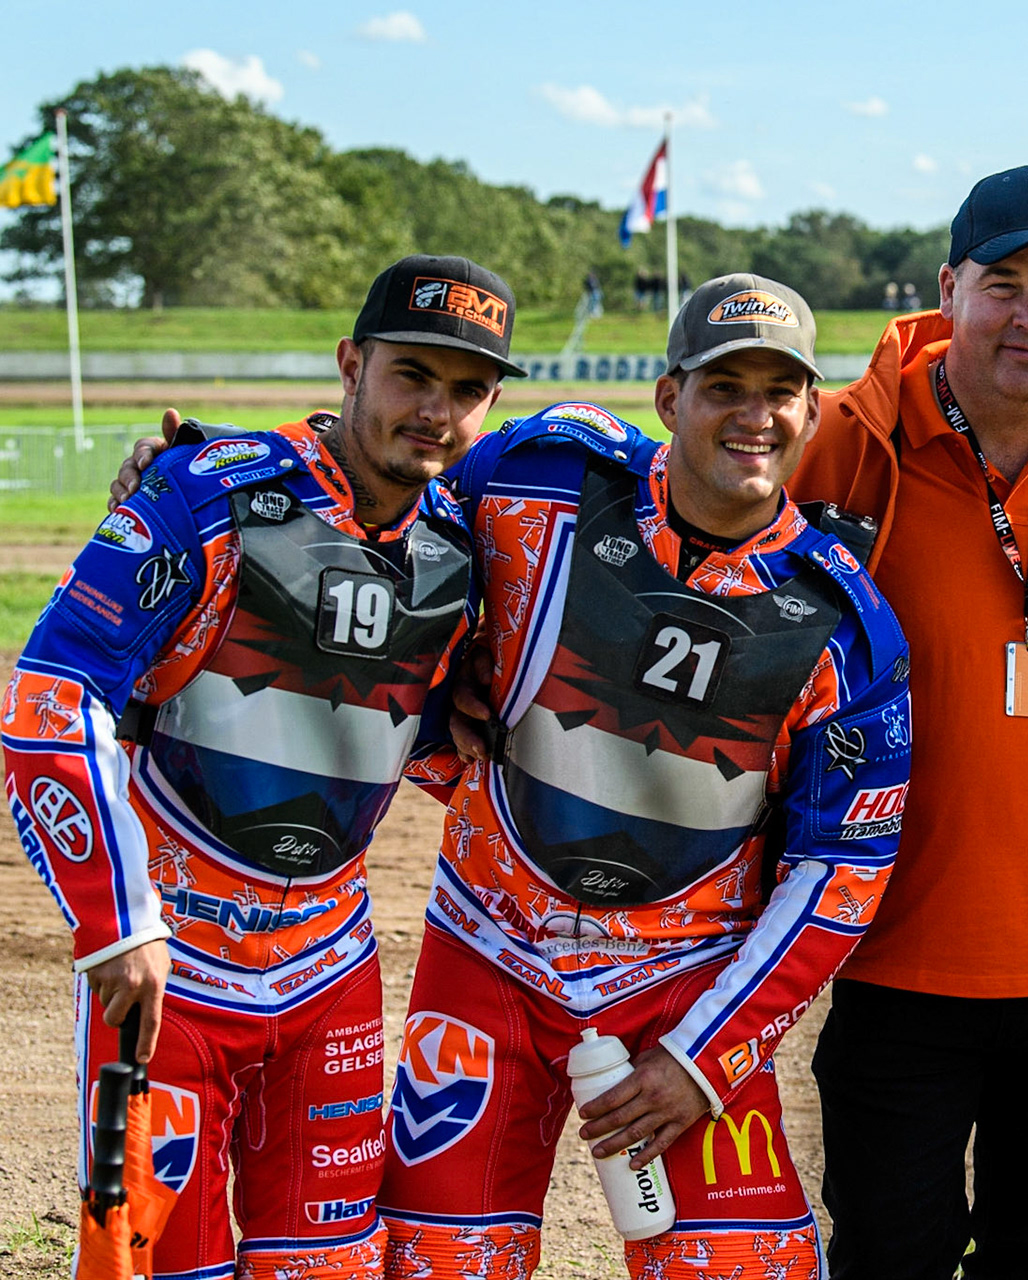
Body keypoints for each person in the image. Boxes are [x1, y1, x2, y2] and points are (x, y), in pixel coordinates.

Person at [375, 273, 910, 1279]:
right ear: (670, 398)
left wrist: (701, 1060)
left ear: (813, 408)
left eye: (779, 391)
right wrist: (441, 682)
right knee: (431, 1262)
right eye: (724, 388)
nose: (754, 416)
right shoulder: (542, 472)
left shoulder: (847, 625)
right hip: (490, 945)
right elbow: (383, 505)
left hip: (683, 979)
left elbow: (841, 871)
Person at [5, 253, 519, 1279]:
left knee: (325, 1266)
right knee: (154, 1267)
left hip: (330, 967)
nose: (437, 409)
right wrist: (115, 920)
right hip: (171, 969)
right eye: (412, 374)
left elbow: (405, 726)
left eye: (467, 389)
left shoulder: (467, 545)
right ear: (350, 363)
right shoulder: (207, 493)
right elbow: (50, 699)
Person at [789, 165, 1028, 1279]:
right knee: (888, 1254)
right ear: (949, 288)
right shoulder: (847, 448)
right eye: (1003, 283)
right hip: (896, 957)